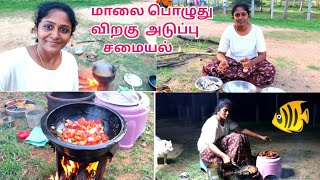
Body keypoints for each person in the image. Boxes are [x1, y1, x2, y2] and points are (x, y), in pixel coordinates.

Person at [0, 2, 79, 91]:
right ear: (36, 30)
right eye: (48, 26)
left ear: (69, 37)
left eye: (64, 30)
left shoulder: (70, 61)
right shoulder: (8, 61)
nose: (55, 35)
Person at [202, 2, 276, 88]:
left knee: (269, 70)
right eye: (237, 15)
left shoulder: (256, 31)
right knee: (209, 67)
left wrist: (250, 63)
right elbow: (220, 53)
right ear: (233, 17)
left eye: (243, 14)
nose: (240, 18)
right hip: (231, 62)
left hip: (251, 62)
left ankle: (232, 77)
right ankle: (245, 77)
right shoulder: (229, 31)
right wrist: (223, 61)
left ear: (248, 16)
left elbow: (263, 55)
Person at [197, 99, 271, 167]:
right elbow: (210, 144)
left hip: (218, 146)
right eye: (225, 110)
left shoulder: (226, 120)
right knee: (236, 137)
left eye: (229, 111)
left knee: (242, 137)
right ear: (218, 110)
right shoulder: (213, 122)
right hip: (207, 151)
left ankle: (246, 161)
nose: (227, 113)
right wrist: (224, 156)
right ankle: (231, 164)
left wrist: (260, 136)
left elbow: (241, 130)